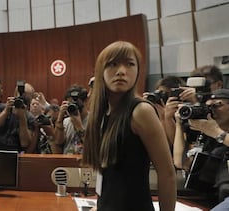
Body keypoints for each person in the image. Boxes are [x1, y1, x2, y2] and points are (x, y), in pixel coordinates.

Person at [82, 41, 176, 211]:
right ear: (100, 71)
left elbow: (167, 173)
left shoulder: (141, 111)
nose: (121, 71)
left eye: (130, 64)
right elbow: (110, 177)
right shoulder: (103, 113)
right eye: (113, 64)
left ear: (138, 71)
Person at [175, 89, 229, 206]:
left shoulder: (214, 131)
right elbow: (180, 163)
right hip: (206, 196)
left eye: (217, 105)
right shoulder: (208, 132)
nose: (212, 110)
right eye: (208, 106)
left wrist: (216, 132)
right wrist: (179, 125)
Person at [54, 85, 89, 154]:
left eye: (76, 103)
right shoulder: (66, 122)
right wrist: (59, 120)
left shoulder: (94, 120)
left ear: (85, 101)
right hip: (67, 161)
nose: (73, 106)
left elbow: (94, 147)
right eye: (70, 104)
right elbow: (58, 142)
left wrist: (79, 126)